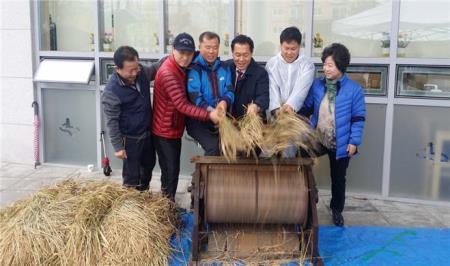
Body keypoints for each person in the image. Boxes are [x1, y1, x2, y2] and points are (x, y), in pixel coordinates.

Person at [300, 43, 366, 226]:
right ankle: (311, 193)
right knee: (301, 156)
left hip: (341, 142)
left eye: (330, 65)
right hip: (319, 137)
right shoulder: (317, 85)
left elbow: (358, 118)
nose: (326, 69)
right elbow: (306, 107)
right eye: (325, 64)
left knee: (338, 179)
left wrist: (354, 142)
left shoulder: (354, 90)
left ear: (341, 66)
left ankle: (337, 210)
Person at [152, 32, 221, 200]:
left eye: (189, 53)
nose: (185, 58)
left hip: (173, 127)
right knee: (170, 171)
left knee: (172, 170)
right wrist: (209, 114)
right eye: (181, 53)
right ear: (172, 50)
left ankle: (168, 204)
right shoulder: (169, 73)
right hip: (164, 130)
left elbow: (201, 54)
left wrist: (206, 52)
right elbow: (182, 105)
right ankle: (166, 207)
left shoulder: (181, 66)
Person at [101, 46, 161, 191]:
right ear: (118, 68)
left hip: (147, 133)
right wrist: (118, 147)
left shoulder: (141, 73)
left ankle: (143, 192)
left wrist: (176, 56)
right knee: (131, 174)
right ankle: (130, 204)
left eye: (137, 68)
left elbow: (156, 67)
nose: (135, 73)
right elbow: (112, 122)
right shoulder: (112, 91)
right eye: (131, 71)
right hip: (130, 139)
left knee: (148, 166)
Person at [265, 26, 315, 157]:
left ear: (300, 47)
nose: (289, 52)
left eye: (293, 49)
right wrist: (277, 109)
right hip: (276, 115)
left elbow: (301, 89)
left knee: (289, 151)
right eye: (286, 48)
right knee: (269, 150)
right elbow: (272, 88)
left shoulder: (307, 65)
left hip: (296, 116)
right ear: (280, 45)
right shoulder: (272, 64)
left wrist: (289, 107)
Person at [186, 31, 234, 156]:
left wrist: (223, 103)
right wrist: (212, 112)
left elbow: (229, 90)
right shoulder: (193, 68)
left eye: (215, 48)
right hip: (199, 120)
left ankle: (222, 175)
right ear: (199, 47)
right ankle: (204, 175)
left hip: (221, 117)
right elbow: (195, 97)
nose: (211, 51)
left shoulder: (225, 67)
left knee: (233, 147)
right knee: (214, 148)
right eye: (208, 47)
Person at [226, 34, 269, 120]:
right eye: (237, 55)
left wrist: (256, 106)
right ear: (232, 53)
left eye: (245, 55)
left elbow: (264, 97)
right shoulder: (225, 67)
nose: (241, 59)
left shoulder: (260, 73)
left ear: (251, 53)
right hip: (228, 120)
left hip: (251, 121)